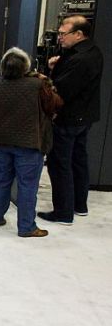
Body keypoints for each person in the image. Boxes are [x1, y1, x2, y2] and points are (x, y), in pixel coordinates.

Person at [0, 47, 61, 238]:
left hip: (0, 141)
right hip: (29, 143)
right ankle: (26, 227)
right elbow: (54, 105)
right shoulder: (37, 84)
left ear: (3, 67)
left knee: (1, 180)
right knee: (27, 185)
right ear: (26, 66)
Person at [39, 15, 104, 224]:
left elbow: (60, 90)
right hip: (84, 117)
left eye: (62, 34)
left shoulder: (79, 59)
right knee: (78, 161)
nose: (59, 38)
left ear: (78, 34)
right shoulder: (91, 52)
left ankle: (63, 212)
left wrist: (45, 77)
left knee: (60, 164)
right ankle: (79, 205)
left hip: (68, 119)